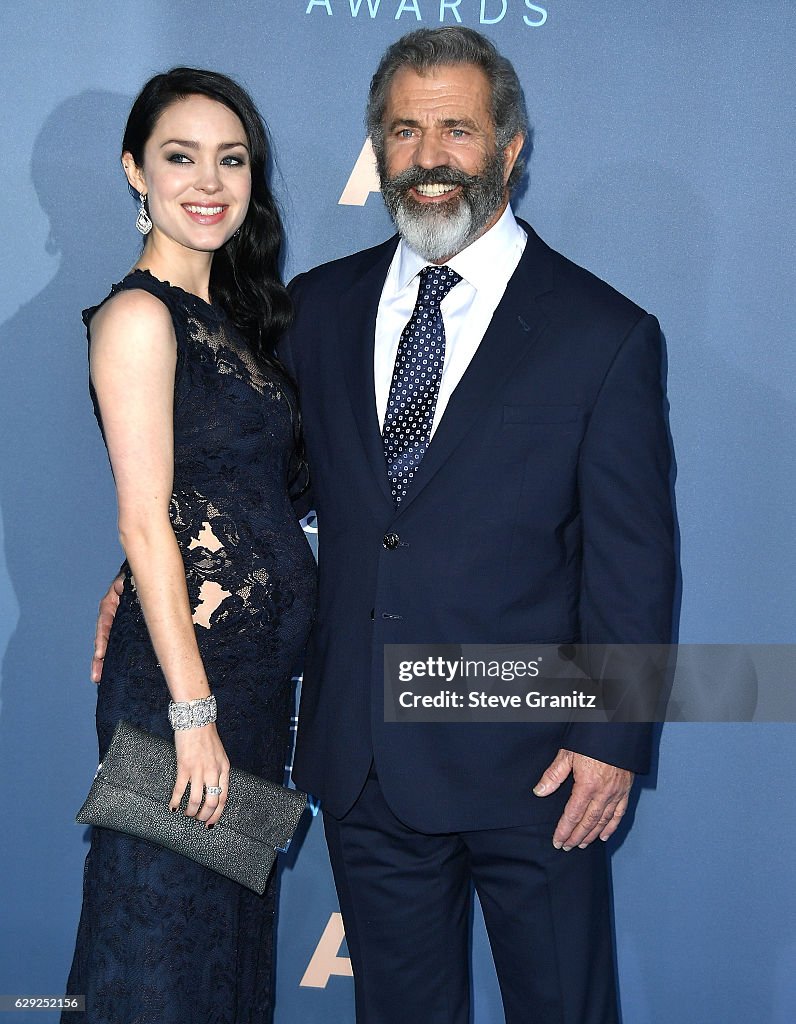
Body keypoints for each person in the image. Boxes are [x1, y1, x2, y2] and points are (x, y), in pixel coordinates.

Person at [94, 27, 674, 1024]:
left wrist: (612, 738)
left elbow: (636, 558)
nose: (430, 155)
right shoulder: (316, 309)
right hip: (363, 763)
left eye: (456, 127)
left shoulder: (601, 330)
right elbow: (256, 481)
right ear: (379, 148)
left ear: (509, 148)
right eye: (405, 130)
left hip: (533, 764)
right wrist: (142, 571)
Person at [64, 68, 316, 1024]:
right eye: (180, 157)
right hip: (187, 698)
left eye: (231, 159)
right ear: (136, 171)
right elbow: (145, 517)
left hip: (243, 695)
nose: (207, 181)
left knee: (218, 967)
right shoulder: (138, 316)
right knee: (156, 964)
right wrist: (190, 712)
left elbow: (229, 497)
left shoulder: (237, 326)